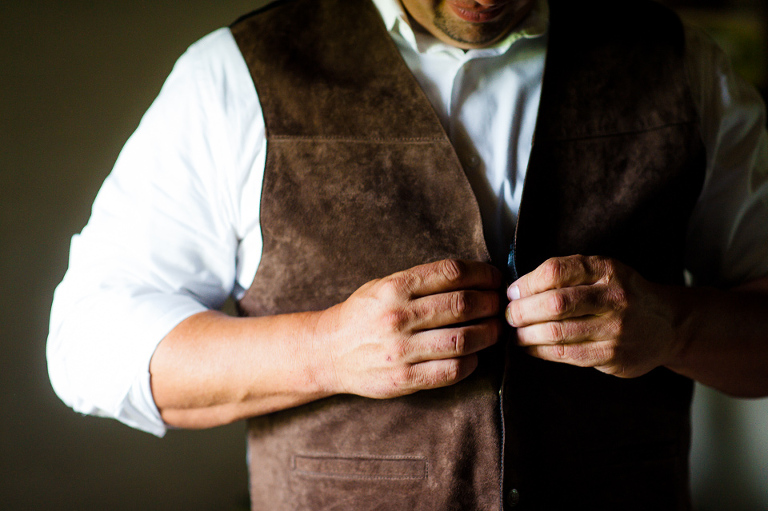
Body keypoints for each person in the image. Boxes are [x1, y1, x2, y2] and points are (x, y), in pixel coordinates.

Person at [48, 0, 768, 509]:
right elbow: (85, 345)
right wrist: (323, 348)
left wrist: (676, 325)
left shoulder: (686, 69)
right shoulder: (233, 77)